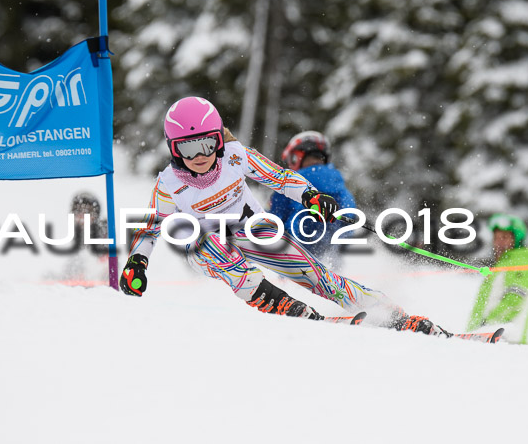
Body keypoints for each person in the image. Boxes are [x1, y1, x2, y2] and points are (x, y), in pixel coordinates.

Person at [119, 96, 453, 336]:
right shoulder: (169, 184)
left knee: (317, 275)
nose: (201, 156)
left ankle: (393, 314)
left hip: (252, 227)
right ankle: (278, 301)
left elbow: (280, 177)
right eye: (189, 149)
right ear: (174, 149)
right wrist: (138, 262)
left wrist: (310, 196)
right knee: (202, 241)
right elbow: (151, 228)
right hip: (206, 244)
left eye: (208, 144)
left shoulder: (235, 157)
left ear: (219, 140)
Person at [269, 131, 355, 267]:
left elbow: (272, 222)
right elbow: (350, 221)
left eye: (293, 159)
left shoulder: (288, 184)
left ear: (299, 156)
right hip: (330, 266)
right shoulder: (340, 186)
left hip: (293, 261)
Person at [466, 213, 528, 343]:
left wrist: (488, 324)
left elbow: (515, 300)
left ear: (516, 240)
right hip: (485, 338)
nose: (499, 243)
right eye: (496, 238)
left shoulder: (521, 261)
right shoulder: (504, 263)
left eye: (504, 237)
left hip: (504, 340)